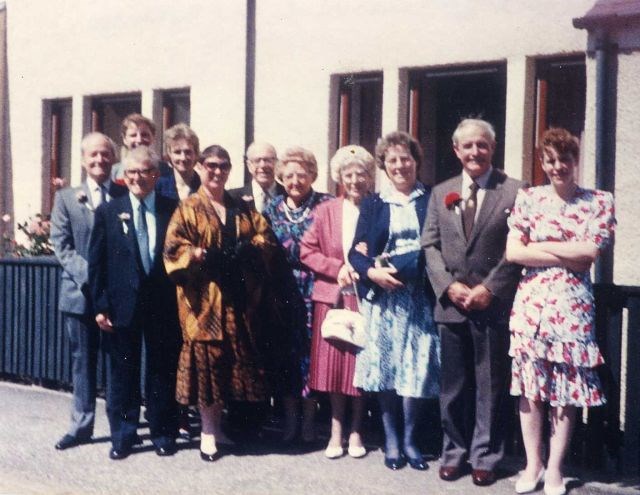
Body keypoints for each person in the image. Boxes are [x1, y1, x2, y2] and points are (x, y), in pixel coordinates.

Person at [505, 128, 615, 495]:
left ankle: (554, 468)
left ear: (575, 160)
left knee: (566, 392)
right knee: (531, 389)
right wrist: (568, 248)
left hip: (572, 308)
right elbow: (514, 253)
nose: (557, 167)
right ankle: (532, 463)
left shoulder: (598, 201)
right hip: (531, 307)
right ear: (542, 162)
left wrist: (542, 244)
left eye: (564, 159)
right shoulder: (529, 199)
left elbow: (590, 255)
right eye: (550, 160)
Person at [421, 118, 525, 486]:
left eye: (482, 145)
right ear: (456, 151)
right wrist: (448, 286)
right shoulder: (441, 192)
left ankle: (485, 456)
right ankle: (454, 452)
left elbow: (519, 248)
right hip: (451, 305)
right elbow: (429, 245)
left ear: (492, 149)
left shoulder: (514, 190)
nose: (475, 152)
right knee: (453, 386)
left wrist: (490, 288)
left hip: (490, 305)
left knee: (490, 384)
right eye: (467, 146)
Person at [163, 145, 278, 461]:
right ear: (199, 167)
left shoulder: (240, 207)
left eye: (224, 166)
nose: (217, 171)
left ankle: (223, 427)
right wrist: (200, 255)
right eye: (211, 165)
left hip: (237, 300)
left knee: (231, 363)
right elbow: (173, 250)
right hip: (204, 304)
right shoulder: (187, 208)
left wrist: (249, 250)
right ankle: (208, 433)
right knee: (208, 366)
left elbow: (264, 236)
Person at [348, 131, 440, 471]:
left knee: (416, 369)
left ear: (416, 161)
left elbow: (435, 248)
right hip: (384, 298)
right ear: (384, 166)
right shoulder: (374, 203)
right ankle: (391, 439)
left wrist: (401, 266)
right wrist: (372, 273)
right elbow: (354, 252)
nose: (400, 165)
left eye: (406, 158)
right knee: (385, 369)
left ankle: (412, 440)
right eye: (392, 160)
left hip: (418, 299)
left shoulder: (431, 198)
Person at [89, 146, 181, 460]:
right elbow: (96, 263)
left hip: (163, 304)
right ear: (123, 177)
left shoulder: (173, 208)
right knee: (123, 372)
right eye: (131, 172)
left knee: (161, 370)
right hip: (120, 305)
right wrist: (100, 305)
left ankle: (163, 432)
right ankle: (123, 436)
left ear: (156, 175)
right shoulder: (108, 211)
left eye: (144, 171)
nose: (137, 178)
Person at [50, 132, 127, 450]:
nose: (99, 160)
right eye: (93, 155)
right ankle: (81, 426)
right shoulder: (66, 198)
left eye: (105, 154)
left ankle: (120, 430)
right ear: (83, 160)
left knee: (116, 363)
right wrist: (95, 280)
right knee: (83, 361)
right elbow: (62, 245)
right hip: (79, 295)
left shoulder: (124, 195)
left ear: (113, 158)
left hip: (117, 298)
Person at [300, 145, 375, 459]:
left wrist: (365, 268)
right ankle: (334, 431)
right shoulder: (326, 210)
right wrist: (337, 268)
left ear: (370, 177)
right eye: (349, 174)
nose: (355, 180)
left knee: (359, 368)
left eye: (361, 174)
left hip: (366, 297)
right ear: (339, 177)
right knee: (333, 370)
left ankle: (356, 430)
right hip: (332, 298)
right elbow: (306, 250)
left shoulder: (377, 208)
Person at [263, 146, 332, 442]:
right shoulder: (272, 209)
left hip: (315, 290)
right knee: (286, 356)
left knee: (312, 356)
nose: (294, 181)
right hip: (282, 294)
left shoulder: (326, 205)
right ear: (280, 177)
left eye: (301, 175)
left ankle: (310, 422)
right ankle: (290, 421)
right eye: (288, 175)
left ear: (313, 175)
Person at [228, 141, 285, 213]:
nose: (263, 165)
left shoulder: (288, 195)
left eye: (268, 160)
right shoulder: (232, 198)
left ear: (276, 163)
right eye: (257, 161)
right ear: (249, 165)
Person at [110, 113, 170, 180]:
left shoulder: (165, 170)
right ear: (124, 139)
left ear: (153, 137)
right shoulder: (115, 172)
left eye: (144, 135)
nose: (139, 140)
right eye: (133, 135)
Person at [155, 123, 201, 200]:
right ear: (169, 154)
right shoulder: (158, 187)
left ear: (196, 154)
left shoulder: (204, 187)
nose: (183, 158)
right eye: (177, 152)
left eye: (188, 152)